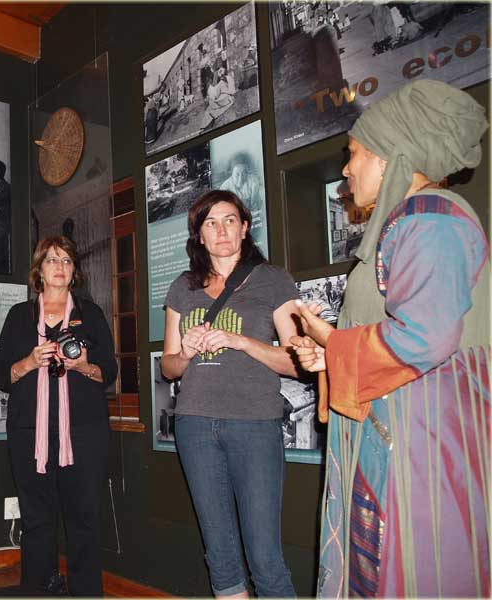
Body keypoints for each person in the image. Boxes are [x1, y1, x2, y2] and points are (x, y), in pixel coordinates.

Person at [291, 80, 490, 597]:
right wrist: (329, 356)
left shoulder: (432, 222)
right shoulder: (416, 222)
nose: (346, 168)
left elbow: (423, 338)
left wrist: (333, 344)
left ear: (390, 157)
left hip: (419, 445)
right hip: (403, 429)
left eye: (354, 154)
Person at [161, 190, 299, 597]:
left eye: (229, 220)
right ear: (199, 235)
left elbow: (296, 361)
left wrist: (242, 342)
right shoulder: (181, 289)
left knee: (265, 559)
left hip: (255, 424)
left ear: (245, 227)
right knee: (220, 555)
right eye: (210, 223)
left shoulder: (273, 280)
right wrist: (185, 351)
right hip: (195, 425)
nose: (221, 230)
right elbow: (168, 366)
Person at [0, 236, 117, 596]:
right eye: (52, 261)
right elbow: (2, 375)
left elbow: (108, 371)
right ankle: (38, 589)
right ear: (39, 271)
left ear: (74, 270)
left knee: (84, 520)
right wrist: (30, 362)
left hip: (83, 434)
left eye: (66, 261)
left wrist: (82, 366)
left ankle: (85, 592)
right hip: (29, 433)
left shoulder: (90, 314)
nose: (60, 267)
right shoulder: (20, 316)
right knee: (36, 521)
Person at [199, 68, 236, 132]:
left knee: (211, 108)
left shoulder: (226, 80)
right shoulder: (218, 82)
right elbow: (215, 93)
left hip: (226, 98)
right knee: (209, 109)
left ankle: (205, 127)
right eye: (220, 71)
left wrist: (215, 99)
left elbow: (230, 92)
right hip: (220, 98)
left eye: (222, 72)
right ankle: (204, 127)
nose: (221, 73)